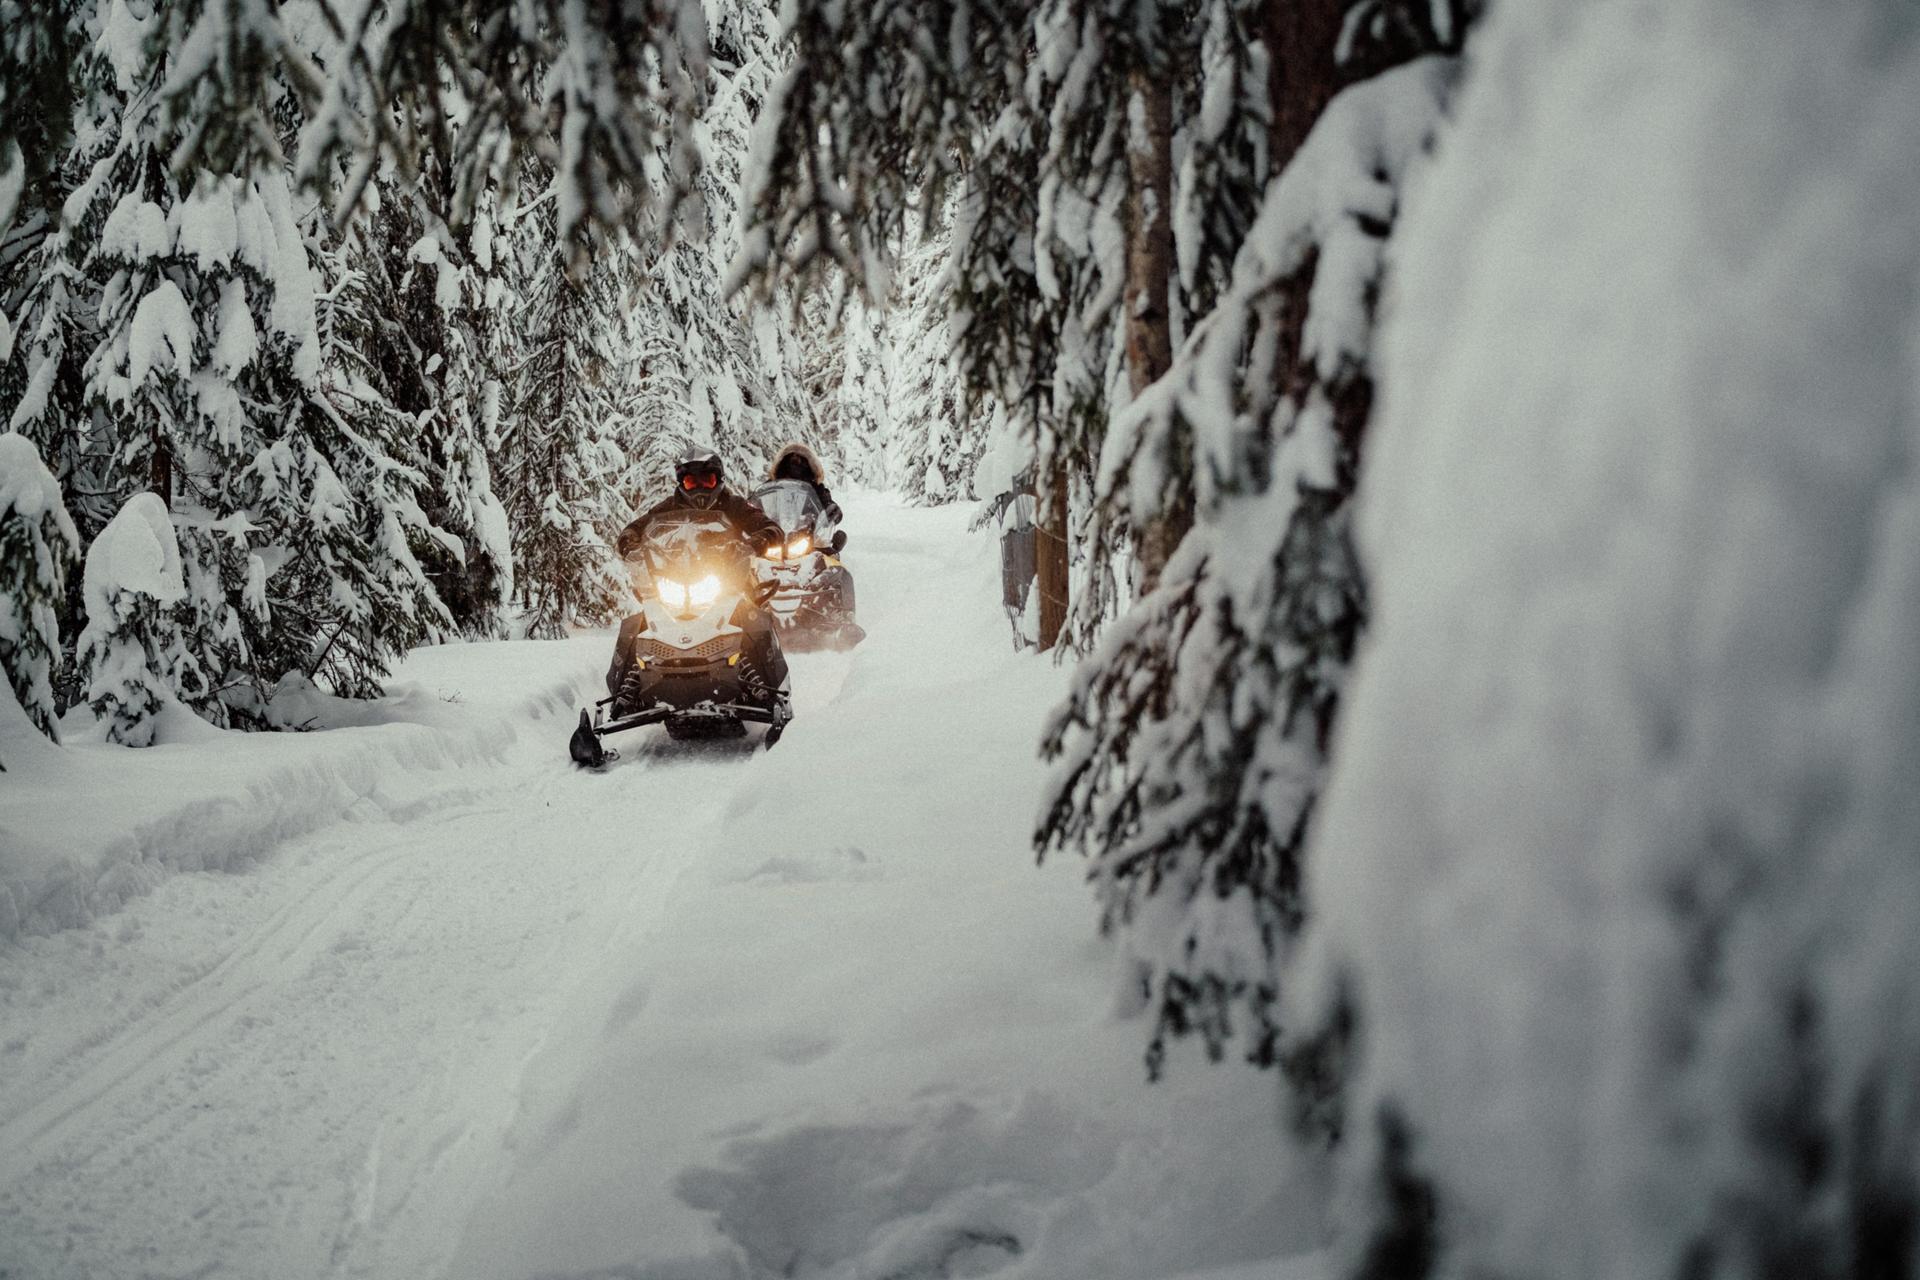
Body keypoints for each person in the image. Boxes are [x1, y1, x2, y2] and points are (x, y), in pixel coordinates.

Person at [606, 447, 790, 717]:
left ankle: (768, 692)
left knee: (752, 619)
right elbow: (635, 528)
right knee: (640, 623)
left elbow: (771, 528)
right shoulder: (668, 507)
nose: (700, 488)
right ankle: (624, 697)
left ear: (718, 480)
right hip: (678, 579)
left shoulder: (735, 505)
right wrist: (631, 543)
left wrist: (758, 540)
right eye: (692, 481)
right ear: (682, 483)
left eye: (707, 480)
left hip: (729, 578)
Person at [767, 442, 843, 525]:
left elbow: (826, 502)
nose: (795, 465)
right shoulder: (771, 485)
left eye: (801, 462)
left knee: (835, 536)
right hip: (774, 530)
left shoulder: (815, 489)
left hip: (807, 531)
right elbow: (754, 504)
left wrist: (833, 511)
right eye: (791, 461)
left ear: (808, 467)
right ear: (783, 465)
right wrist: (755, 517)